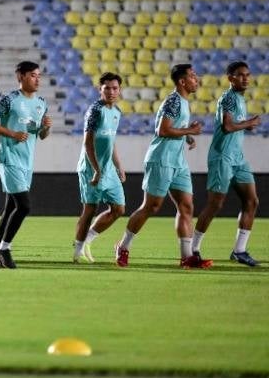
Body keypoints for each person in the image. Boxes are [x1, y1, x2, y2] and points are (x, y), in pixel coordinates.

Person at [115, 63, 205, 269]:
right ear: (182, 81)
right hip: (161, 159)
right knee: (151, 206)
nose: (196, 79)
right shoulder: (173, 101)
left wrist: (187, 136)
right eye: (192, 76)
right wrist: (188, 130)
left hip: (178, 161)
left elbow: (175, 127)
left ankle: (187, 257)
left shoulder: (183, 101)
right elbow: (163, 130)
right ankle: (123, 246)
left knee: (186, 206)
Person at [0, 61, 51, 269]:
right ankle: (5, 248)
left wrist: (46, 129)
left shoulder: (41, 102)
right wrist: (11, 134)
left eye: (39, 75)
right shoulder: (10, 99)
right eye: (32, 75)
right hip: (9, 159)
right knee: (24, 206)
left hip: (27, 162)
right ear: (20, 76)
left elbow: (40, 135)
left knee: (11, 207)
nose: (37, 79)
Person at [193, 61, 261, 267]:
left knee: (252, 201)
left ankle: (239, 251)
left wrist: (245, 125)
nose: (246, 78)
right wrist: (248, 123)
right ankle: (193, 249)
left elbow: (234, 126)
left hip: (238, 158)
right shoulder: (229, 98)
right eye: (240, 75)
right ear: (230, 78)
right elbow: (228, 126)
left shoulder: (240, 99)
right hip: (222, 157)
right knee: (215, 204)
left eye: (247, 75)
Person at [72, 73, 126, 263]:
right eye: (107, 88)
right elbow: (88, 143)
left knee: (119, 209)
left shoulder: (117, 112)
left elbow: (111, 143)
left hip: (108, 169)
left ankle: (88, 239)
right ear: (99, 89)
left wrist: (119, 166)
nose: (111, 92)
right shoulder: (95, 111)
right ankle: (77, 252)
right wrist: (96, 169)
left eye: (115, 88)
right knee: (90, 209)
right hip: (90, 167)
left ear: (119, 90)